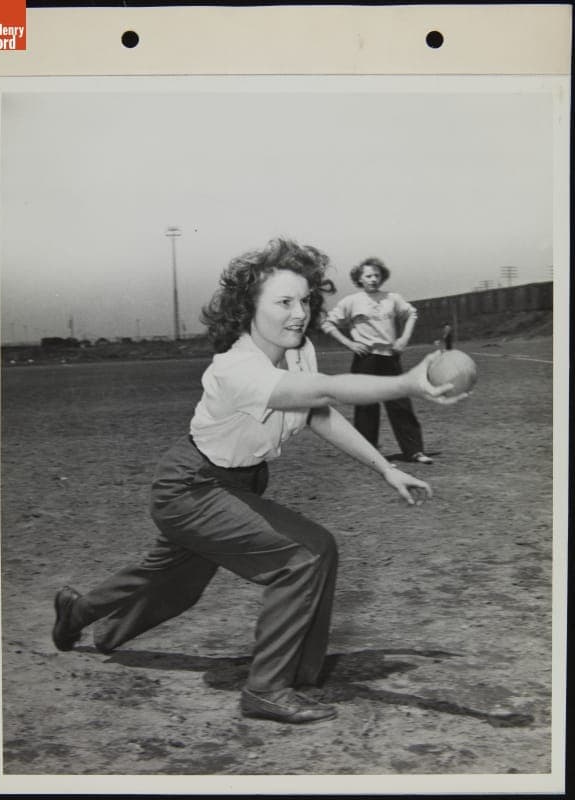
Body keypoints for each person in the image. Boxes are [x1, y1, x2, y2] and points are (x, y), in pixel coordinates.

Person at [52, 239, 463, 725]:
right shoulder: (235, 368)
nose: (298, 313)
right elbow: (329, 388)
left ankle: (78, 614)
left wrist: (385, 467)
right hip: (192, 488)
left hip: (237, 485)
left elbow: (320, 413)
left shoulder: (299, 351)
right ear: (249, 307)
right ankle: (268, 688)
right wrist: (406, 384)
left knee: (175, 585)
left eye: (305, 300)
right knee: (307, 554)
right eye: (283, 302)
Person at [321, 256, 433, 465]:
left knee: (400, 405)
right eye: (368, 275)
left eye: (377, 275)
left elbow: (411, 314)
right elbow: (328, 324)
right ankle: (369, 455)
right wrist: (350, 344)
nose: (373, 279)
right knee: (366, 408)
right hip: (365, 359)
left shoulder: (392, 298)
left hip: (390, 358)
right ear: (359, 279)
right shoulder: (351, 301)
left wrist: (404, 338)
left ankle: (414, 451)